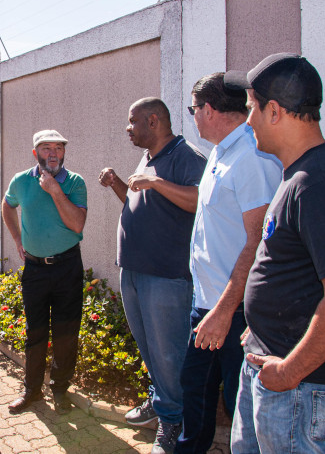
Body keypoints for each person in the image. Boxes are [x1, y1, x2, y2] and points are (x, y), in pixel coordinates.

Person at [224, 53, 325, 453]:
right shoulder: (299, 176)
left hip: (297, 388)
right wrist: (263, 328)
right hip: (271, 367)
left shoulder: (319, 185)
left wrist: (289, 371)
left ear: (274, 111)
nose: (247, 118)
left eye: (251, 107)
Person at [176, 74, 282, 454]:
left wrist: (225, 310)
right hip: (207, 302)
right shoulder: (223, 150)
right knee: (196, 390)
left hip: (234, 311)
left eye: (194, 110)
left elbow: (258, 243)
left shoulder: (253, 157)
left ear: (208, 109)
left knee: (240, 402)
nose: (194, 118)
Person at [98, 97, 206, 454]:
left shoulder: (185, 156)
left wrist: (156, 183)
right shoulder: (149, 157)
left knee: (169, 353)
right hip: (134, 270)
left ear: (154, 121)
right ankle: (160, 405)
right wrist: (118, 184)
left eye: (133, 122)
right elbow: (136, 202)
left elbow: (198, 200)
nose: (128, 129)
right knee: (149, 348)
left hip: (166, 276)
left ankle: (173, 422)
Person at [2, 130, 88, 415]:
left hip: (67, 268)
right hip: (35, 269)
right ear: (35, 152)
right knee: (35, 332)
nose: (53, 153)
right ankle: (32, 390)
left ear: (64, 152)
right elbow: (7, 205)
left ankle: (61, 390)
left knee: (66, 332)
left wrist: (54, 190)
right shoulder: (20, 180)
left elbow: (77, 224)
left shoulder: (75, 182)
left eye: (58, 148)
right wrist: (16, 238)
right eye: (46, 148)